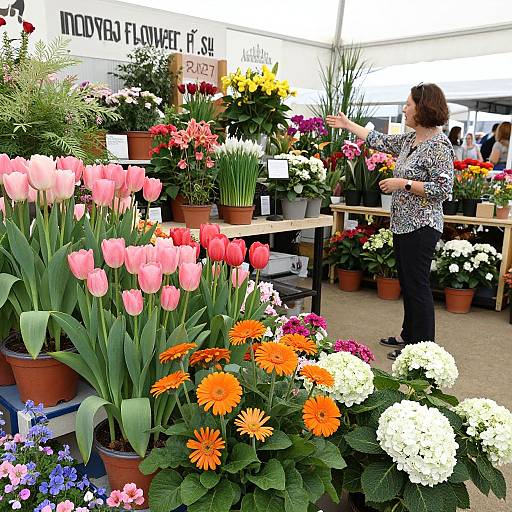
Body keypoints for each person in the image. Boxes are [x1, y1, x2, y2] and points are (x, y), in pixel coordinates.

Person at [327, 83, 454, 360]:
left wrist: (403, 183)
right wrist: (349, 125)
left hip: (422, 226)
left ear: (423, 108)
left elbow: (443, 189)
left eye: (408, 104)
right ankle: (409, 335)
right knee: (408, 284)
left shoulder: (439, 145)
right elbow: (377, 140)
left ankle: (420, 348)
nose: (404, 109)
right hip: (403, 224)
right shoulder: (411, 140)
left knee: (417, 285)